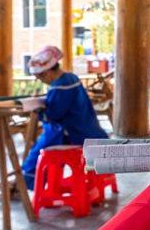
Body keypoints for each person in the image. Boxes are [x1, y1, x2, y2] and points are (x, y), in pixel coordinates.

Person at [16, 46, 107, 190]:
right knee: (45, 139)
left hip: (75, 133)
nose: (42, 82)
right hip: (91, 129)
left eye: (40, 78)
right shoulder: (71, 78)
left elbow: (53, 115)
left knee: (38, 151)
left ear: (46, 73)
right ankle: (32, 181)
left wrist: (38, 111)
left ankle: (23, 183)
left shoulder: (60, 86)